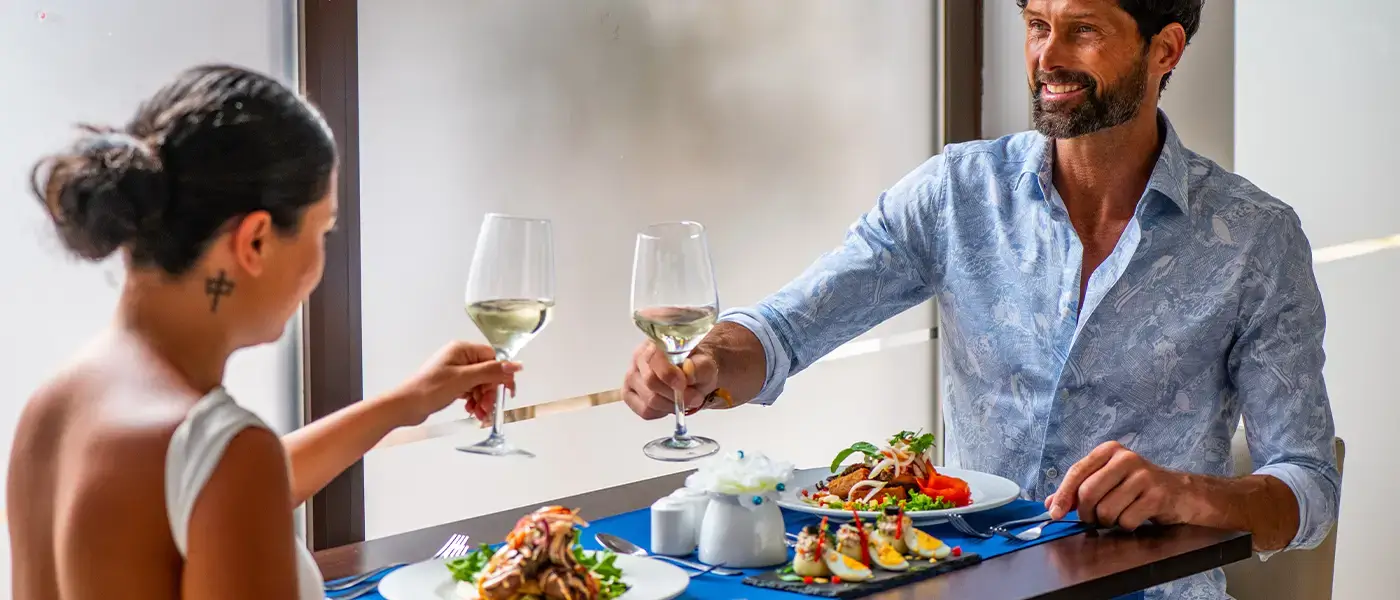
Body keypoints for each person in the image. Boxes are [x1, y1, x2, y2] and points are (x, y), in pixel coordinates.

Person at [616, 0, 1340, 598]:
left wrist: (1188, 493)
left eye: (1082, 29)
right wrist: (707, 362)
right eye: (1035, 24)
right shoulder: (957, 194)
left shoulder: (1255, 240)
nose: (1048, 56)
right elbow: (786, 328)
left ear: (1165, 49)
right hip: (961, 587)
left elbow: (1307, 486)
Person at [7, 64, 520, 599]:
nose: (323, 260)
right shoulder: (229, 457)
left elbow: (205, 490)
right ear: (254, 241)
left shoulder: (53, 410)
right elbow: (227, 478)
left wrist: (406, 401)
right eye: (324, 230)